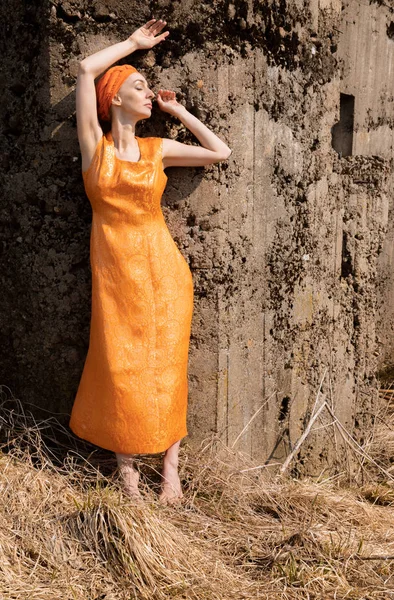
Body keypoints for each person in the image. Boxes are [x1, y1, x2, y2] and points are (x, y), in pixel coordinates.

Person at [69, 18, 232, 505]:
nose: (147, 94)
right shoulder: (93, 148)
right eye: (138, 87)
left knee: (167, 365)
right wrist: (133, 45)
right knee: (119, 365)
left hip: (164, 272)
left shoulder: (156, 150)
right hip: (116, 277)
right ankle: (129, 478)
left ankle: (171, 472)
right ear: (114, 98)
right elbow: (82, 69)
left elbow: (219, 152)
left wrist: (178, 111)